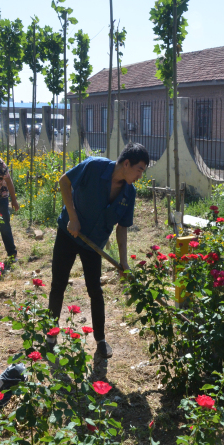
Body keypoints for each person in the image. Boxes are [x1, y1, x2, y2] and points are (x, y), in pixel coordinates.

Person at [47, 142, 150, 358]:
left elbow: (122, 229)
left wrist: (124, 262)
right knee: (58, 284)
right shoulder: (94, 166)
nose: (140, 175)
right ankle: (50, 335)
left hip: (94, 244)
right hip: (69, 233)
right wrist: (73, 218)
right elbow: (64, 182)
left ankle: (101, 340)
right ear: (127, 163)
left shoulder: (128, 194)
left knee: (95, 290)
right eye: (139, 169)